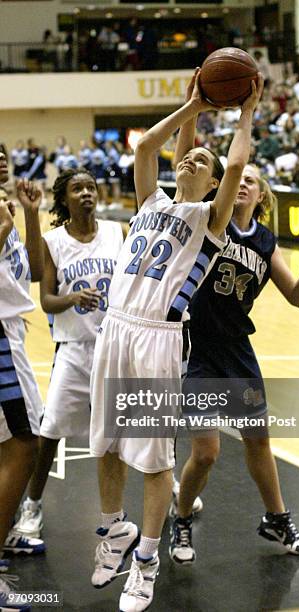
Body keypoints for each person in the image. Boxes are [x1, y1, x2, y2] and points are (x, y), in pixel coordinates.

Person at [89, 70, 264, 611]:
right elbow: (145, 145)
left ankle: (145, 560)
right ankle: (113, 528)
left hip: (158, 338)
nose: (192, 159)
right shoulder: (150, 203)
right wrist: (192, 105)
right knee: (104, 443)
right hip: (114, 327)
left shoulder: (209, 220)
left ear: (214, 185)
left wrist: (245, 112)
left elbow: (235, 165)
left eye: (202, 162)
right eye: (188, 156)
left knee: (154, 458)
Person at [168, 100, 299, 565]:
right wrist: (193, 110)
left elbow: (296, 297)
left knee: (259, 440)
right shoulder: (208, 220)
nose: (241, 184)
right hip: (197, 347)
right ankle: (181, 519)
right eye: (237, 179)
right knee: (208, 452)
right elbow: (192, 162)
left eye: (251, 182)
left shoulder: (264, 241)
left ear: (261, 195)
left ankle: (276, 518)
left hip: (238, 350)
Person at [13, 168, 125, 541]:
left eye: (91, 187)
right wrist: (73, 297)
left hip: (114, 346)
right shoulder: (52, 241)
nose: (87, 193)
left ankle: (168, 486)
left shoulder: (115, 232)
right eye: (78, 189)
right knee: (50, 432)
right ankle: (33, 504)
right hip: (74, 350)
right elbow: (45, 299)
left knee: (135, 429)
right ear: (64, 199)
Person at [0, 154, 45, 610]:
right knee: (24, 445)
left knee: (10, 449)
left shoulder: (7, 207)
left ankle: (7, 528)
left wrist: (29, 215)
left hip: (12, 334)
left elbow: (30, 272)